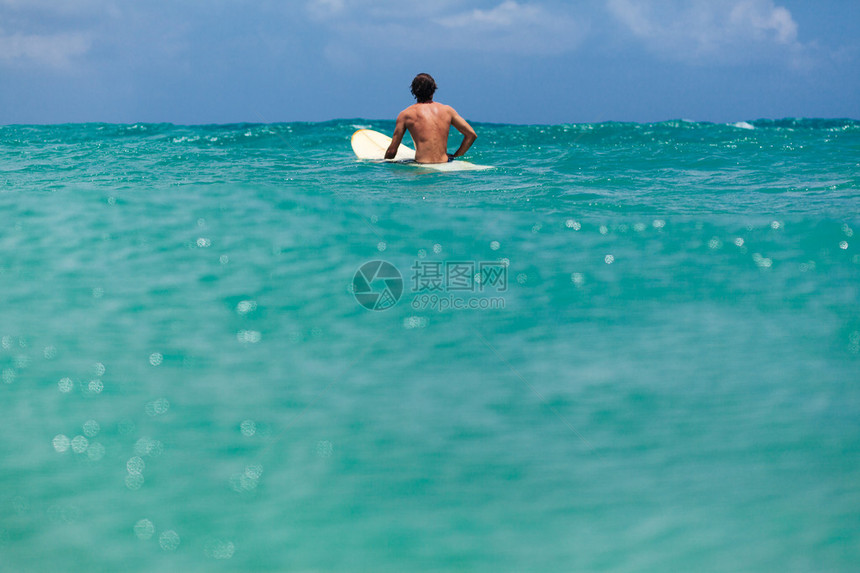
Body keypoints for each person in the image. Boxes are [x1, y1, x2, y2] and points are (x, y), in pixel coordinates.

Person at [385, 73, 477, 164]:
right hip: (444, 164)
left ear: (414, 91)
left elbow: (392, 151)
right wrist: (455, 157)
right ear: (433, 90)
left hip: (422, 165)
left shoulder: (406, 114)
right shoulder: (447, 110)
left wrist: (383, 163)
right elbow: (471, 135)